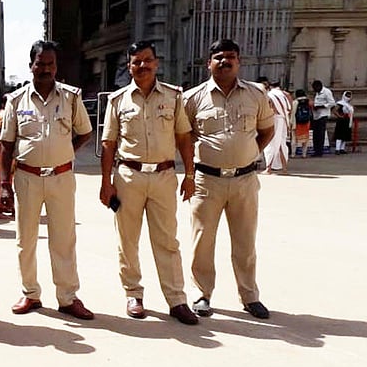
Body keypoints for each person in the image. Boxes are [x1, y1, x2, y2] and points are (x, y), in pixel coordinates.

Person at [99, 40, 199, 325]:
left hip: (164, 176)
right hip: (128, 176)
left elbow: (183, 138)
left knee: (167, 241)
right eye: (136, 62)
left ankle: (177, 300)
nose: (142, 66)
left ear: (157, 63)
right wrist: (106, 182)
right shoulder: (118, 101)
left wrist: (190, 175)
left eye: (147, 60)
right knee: (128, 241)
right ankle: (134, 294)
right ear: (129, 67)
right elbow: (109, 144)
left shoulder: (173, 97)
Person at [0, 40, 95, 319]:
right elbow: (6, 144)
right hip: (27, 178)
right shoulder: (16, 101)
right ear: (31, 66)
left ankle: (67, 297)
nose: (45, 69)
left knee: (64, 239)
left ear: (56, 67)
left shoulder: (71, 98)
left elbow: (84, 132)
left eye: (50, 64)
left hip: (61, 178)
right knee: (25, 239)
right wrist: (5, 184)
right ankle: (30, 294)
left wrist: (65, 154)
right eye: (40, 63)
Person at [183, 39, 275, 319]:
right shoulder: (192, 98)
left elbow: (267, 130)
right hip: (206, 180)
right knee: (202, 241)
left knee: (245, 241)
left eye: (231, 57)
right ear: (208, 62)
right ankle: (202, 294)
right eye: (219, 57)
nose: (225, 61)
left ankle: (249, 296)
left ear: (239, 61)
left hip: (245, 181)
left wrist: (247, 154)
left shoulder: (256, 95)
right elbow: (184, 137)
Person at [263, 79, 292, 173]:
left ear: (270, 86)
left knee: (271, 143)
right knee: (282, 143)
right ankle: (284, 168)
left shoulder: (270, 95)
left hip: (275, 119)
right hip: (284, 119)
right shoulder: (286, 95)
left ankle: (268, 168)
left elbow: (270, 108)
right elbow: (289, 108)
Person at [310, 79, 336, 157]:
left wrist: (321, 106)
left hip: (323, 115)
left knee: (320, 134)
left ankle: (319, 151)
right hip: (316, 115)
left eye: (315, 88)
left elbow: (332, 103)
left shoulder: (327, 92)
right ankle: (316, 150)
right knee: (315, 134)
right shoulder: (317, 93)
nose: (314, 90)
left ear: (319, 86)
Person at [291, 89, 312, 158]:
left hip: (297, 123)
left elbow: (293, 113)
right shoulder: (308, 102)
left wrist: (291, 123)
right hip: (306, 123)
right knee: (305, 139)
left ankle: (293, 154)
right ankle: (304, 154)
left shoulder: (295, 102)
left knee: (294, 138)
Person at [333, 90, 354, 155]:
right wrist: (339, 116)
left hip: (347, 120)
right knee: (339, 135)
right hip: (341, 121)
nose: (348, 97)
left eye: (349, 96)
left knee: (345, 135)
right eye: (347, 96)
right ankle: (337, 149)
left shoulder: (349, 105)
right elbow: (334, 110)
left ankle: (342, 149)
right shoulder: (340, 103)